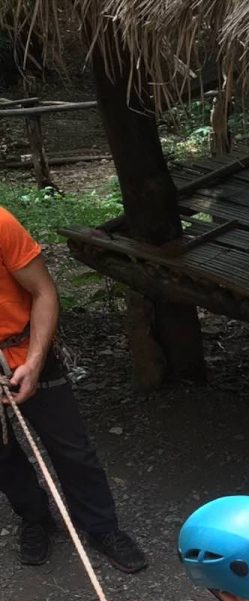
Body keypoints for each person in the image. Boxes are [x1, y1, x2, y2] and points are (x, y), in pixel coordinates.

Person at [0, 205, 146, 572]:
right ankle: (34, 516)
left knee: (71, 447)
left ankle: (101, 527)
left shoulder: (0, 223)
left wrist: (33, 363)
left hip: (25, 348)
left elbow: (44, 292)